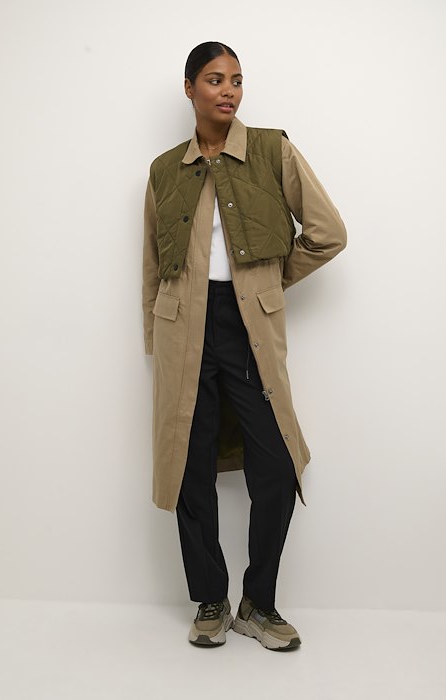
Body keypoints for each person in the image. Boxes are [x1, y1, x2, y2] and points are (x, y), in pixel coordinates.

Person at [142, 41, 347, 651]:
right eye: (214, 79)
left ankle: (259, 602)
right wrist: (155, 341)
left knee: (275, 466)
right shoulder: (163, 170)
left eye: (236, 79)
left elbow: (328, 233)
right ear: (189, 89)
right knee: (189, 465)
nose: (228, 90)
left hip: (247, 327)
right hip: (183, 329)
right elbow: (152, 266)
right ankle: (210, 598)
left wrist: (268, 283)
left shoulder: (271, 150)